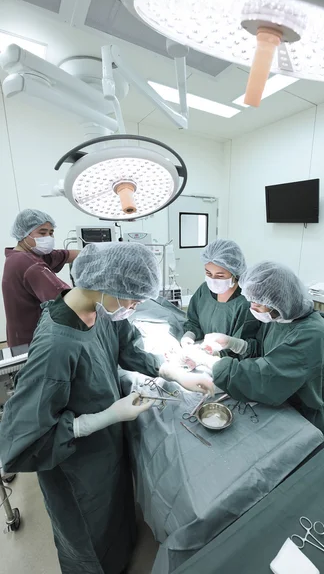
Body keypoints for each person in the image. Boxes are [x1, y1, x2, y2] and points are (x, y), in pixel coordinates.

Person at [0, 242, 214, 574]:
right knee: (89, 530)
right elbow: (22, 439)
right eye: (132, 298)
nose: (134, 305)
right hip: (75, 465)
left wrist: (172, 371)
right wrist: (102, 417)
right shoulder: (57, 345)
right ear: (103, 284)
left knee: (116, 511)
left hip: (105, 448)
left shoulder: (100, 309)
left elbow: (125, 344)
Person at [184, 262, 324, 443]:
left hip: (302, 417)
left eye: (257, 304)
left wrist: (209, 362)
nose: (252, 308)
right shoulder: (281, 318)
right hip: (282, 406)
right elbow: (264, 351)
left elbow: (263, 377)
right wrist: (233, 343)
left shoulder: (312, 335)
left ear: (279, 301)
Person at [2, 208, 80, 347]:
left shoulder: (23, 255)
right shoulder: (29, 264)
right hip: (32, 341)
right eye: (42, 233)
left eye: (51, 233)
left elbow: (65, 255)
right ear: (23, 234)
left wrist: (97, 253)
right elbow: (66, 299)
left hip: (19, 337)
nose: (48, 238)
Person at [180, 239, 260, 350]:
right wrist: (190, 335)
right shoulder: (204, 290)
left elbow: (244, 347)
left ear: (234, 273)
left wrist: (214, 355)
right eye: (208, 273)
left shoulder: (245, 303)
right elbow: (194, 321)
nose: (213, 280)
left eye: (220, 275)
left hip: (229, 363)